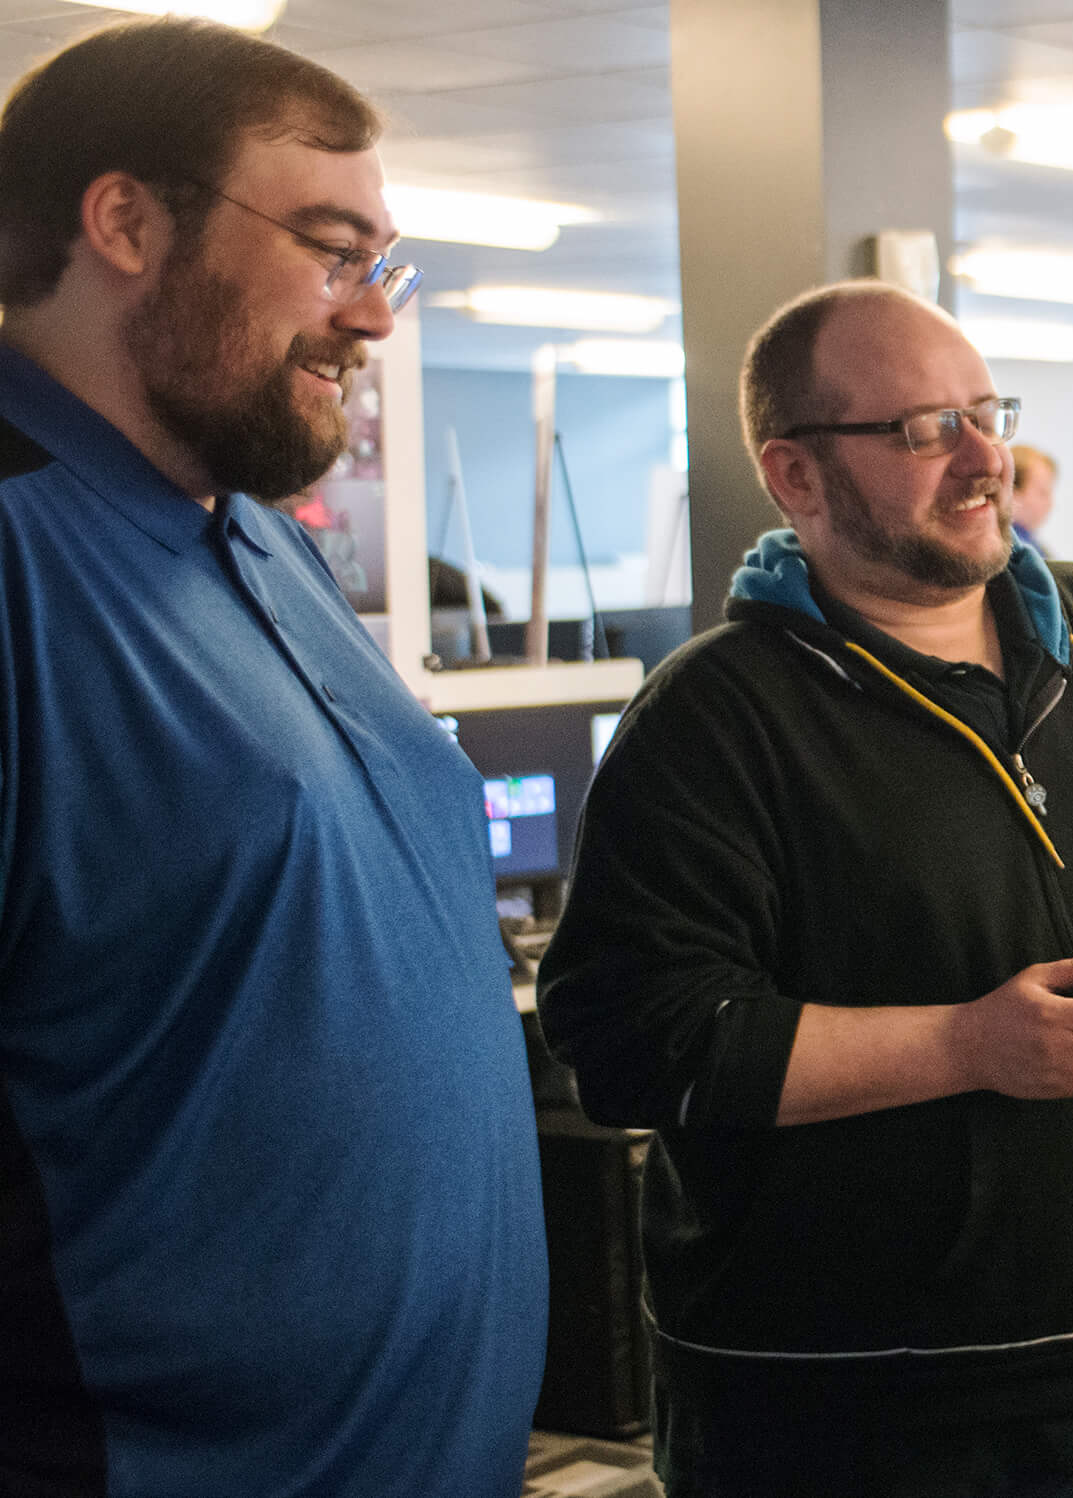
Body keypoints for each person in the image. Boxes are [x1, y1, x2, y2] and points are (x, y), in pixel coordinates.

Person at [536, 281, 1073, 1498]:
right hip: (866, 1428)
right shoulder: (715, 719)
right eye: (921, 429)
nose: (982, 456)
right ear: (795, 476)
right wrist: (969, 1044)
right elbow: (639, 1042)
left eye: (984, 410)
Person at [0, 20, 544, 1496]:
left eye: (387, 264)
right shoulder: (17, 553)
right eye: (329, 246)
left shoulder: (250, 530)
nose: (373, 315)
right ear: (125, 221)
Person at [1010, 439, 1058, 536]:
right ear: (1013, 493)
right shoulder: (1016, 544)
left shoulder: (1029, 542)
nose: (1050, 504)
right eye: (1043, 493)